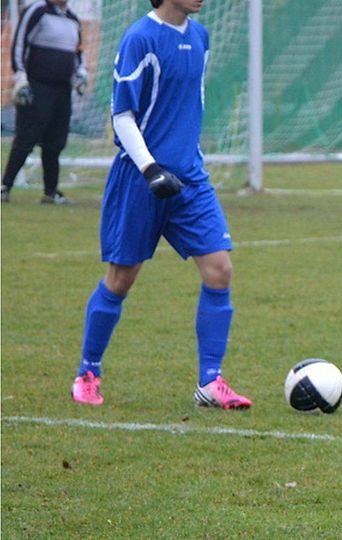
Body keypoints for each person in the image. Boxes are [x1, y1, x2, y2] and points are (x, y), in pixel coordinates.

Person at [71, 0, 252, 410]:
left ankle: (210, 381)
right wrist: (151, 168)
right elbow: (122, 115)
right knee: (120, 279)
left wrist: (186, 157)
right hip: (141, 179)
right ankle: (87, 373)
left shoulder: (201, 37)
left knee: (220, 269)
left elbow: (188, 108)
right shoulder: (140, 39)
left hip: (190, 178)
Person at [1, 0, 87, 205]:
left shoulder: (73, 20)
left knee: (55, 142)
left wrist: (81, 74)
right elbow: (19, 44)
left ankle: (50, 192)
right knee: (27, 138)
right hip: (37, 86)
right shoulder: (37, 11)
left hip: (62, 90)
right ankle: (5, 186)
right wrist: (20, 77)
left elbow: (78, 54)